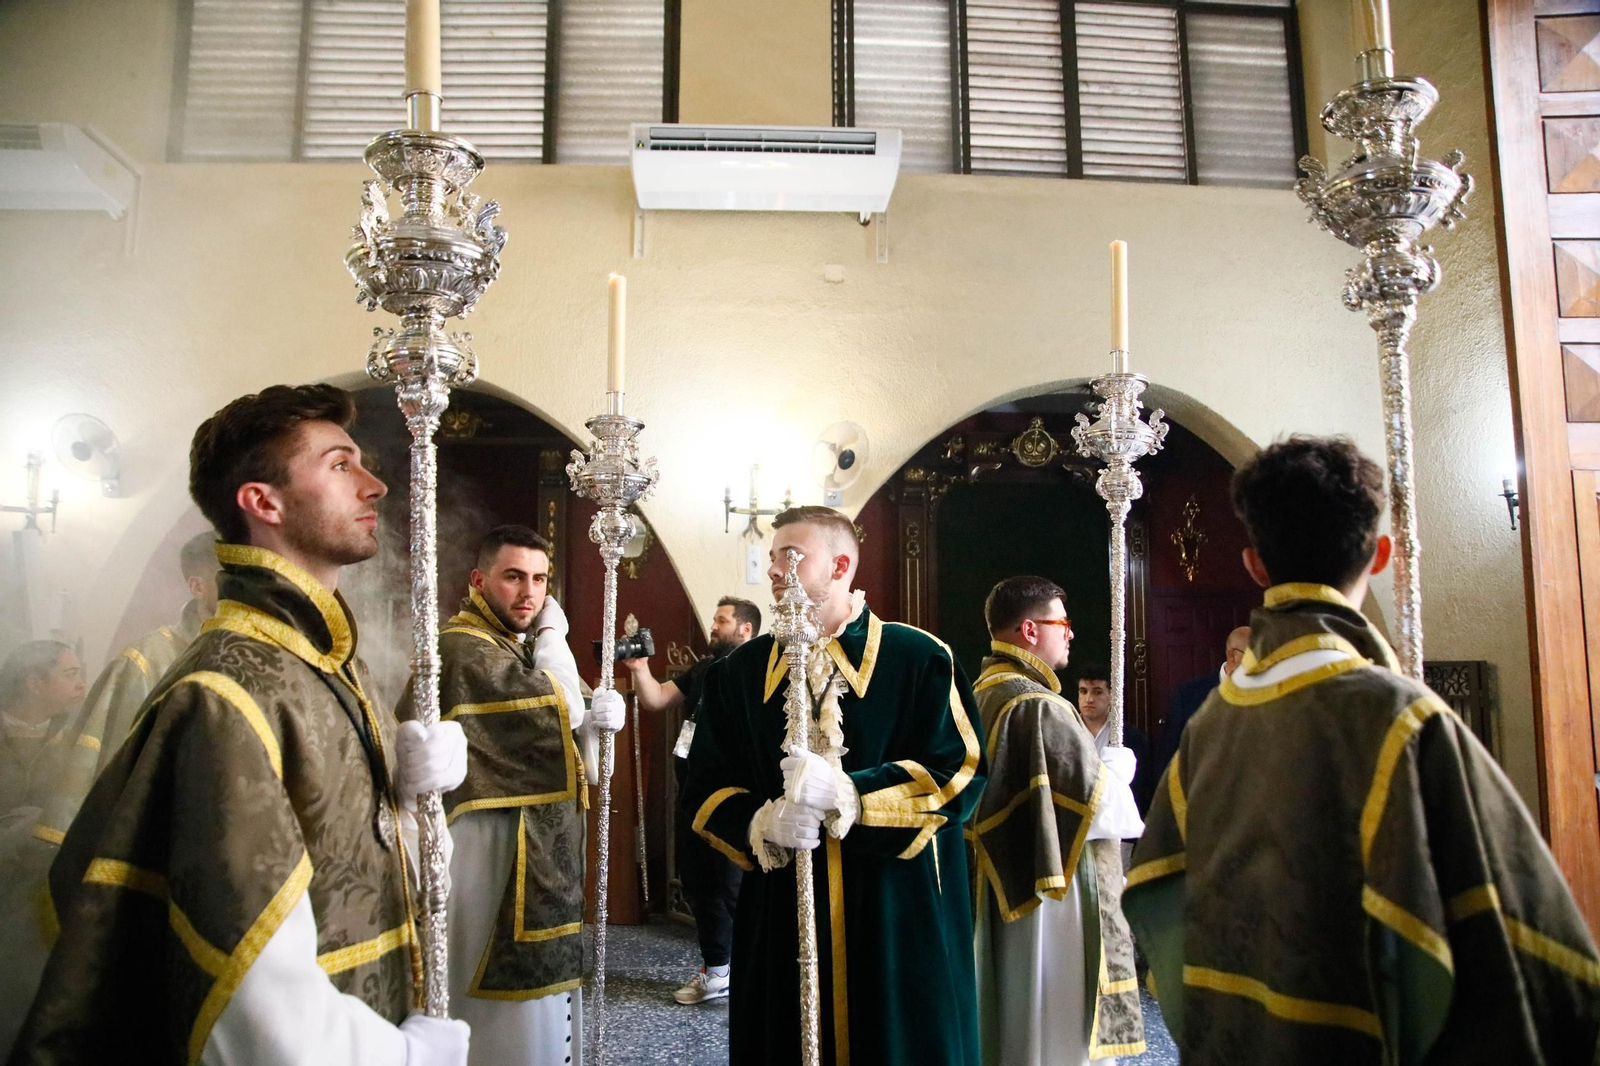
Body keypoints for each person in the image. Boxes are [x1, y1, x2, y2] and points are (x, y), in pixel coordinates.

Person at [11, 384, 472, 1066]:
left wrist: (408, 801)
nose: (374, 486)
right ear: (264, 502)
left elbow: (352, 869)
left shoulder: (323, 664)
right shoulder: (226, 689)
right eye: (341, 465)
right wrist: (399, 1057)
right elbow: (249, 990)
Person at [1124, 435, 1600, 1064]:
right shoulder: (1402, 718)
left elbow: (1162, 901)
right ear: (1380, 556)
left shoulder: (1211, 727)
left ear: (1255, 568)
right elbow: (1523, 951)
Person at [680, 505, 987, 1066]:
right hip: (780, 914)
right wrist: (759, 822)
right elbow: (703, 787)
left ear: (841, 565)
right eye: (773, 558)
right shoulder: (738, 673)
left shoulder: (918, 658)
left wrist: (852, 794)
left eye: (791, 557)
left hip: (894, 910)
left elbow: (961, 773)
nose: (774, 571)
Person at [396, 524, 620, 1066]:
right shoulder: (463, 647)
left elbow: (568, 737)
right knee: (496, 1021)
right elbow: (554, 707)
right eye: (514, 577)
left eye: (541, 579)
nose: (529, 594)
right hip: (489, 857)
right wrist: (554, 641)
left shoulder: (509, 645)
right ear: (479, 580)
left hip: (536, 851)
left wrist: (597, 723)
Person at [970, 577, 1144, 1066]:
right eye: (1061, 623)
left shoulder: (982, 692)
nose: (1069, 634)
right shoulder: (1040, 706)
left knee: (1011, 1009)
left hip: (999, 883)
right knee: (1054, 1023)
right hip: (1050, 898)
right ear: (1029, 629)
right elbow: (1099, 812)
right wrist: (1114, 774)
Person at [32, 530, 222, 844]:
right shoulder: (146, 662)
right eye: (231, 577)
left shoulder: (270, 655)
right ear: (198, 586)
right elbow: (113, 771)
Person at [622, 595, 761, 1004]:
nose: (712, 627)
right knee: (700, 882)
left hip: (733, 798)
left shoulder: (757, 671)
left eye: (721, 620)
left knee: (728, 887)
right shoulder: (706, 668)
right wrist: (639, 668)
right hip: (692, 796)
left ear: (745, 629)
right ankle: (717, 971)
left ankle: (749, 974)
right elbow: (657, 698)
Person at [0, 641, 86, 1056]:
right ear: (33, 682)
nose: (81, 684)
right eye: (69, 674)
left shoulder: (79, 734)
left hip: (42, 894)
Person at [1149, 625, 1248, 791]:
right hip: (1200, 792)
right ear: (1232, 656)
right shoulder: (1189, 695)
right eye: (1255, 655)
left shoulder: (1266, 693)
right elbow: (1170, 752)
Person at [1072, 662, 1155, 815]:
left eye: (1097, 692)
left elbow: (1142, 787)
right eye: (1083, 691)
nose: (1089, 699)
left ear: (1111, 695)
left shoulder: (1130, 737)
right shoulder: (1066, 731)